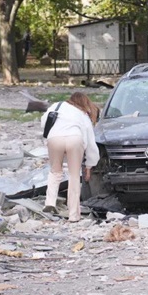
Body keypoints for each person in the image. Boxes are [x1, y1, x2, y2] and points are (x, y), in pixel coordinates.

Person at [41, 92, 100, 222]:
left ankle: (49, 202)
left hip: (54, 138)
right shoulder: (82, 114)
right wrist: (90, 164)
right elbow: (90, 142)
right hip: (75, 138)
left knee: (55, 171)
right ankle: (74, 215)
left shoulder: (57, 106)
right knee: (74, 175)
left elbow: (44, 122)